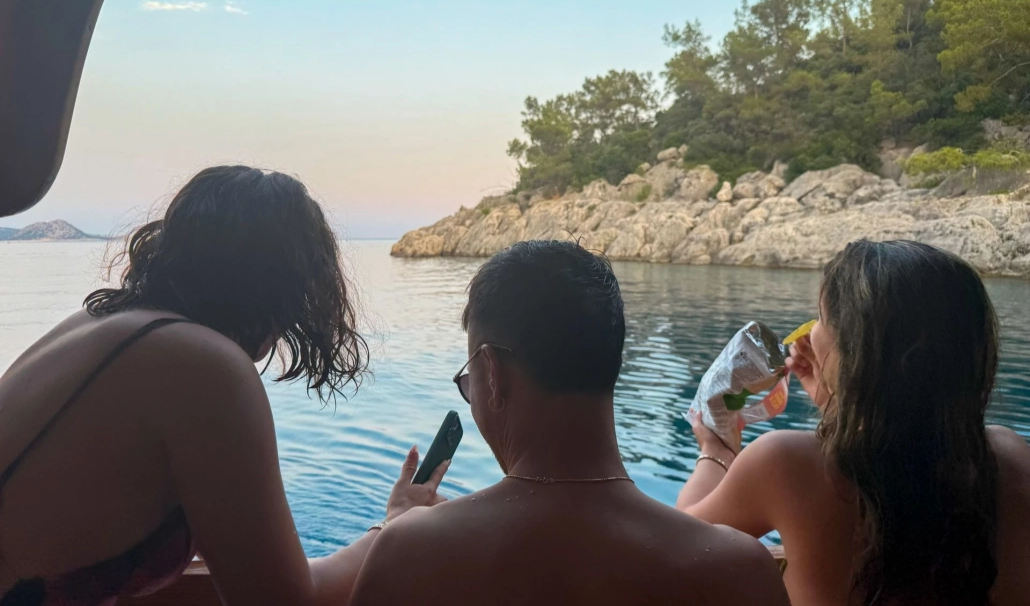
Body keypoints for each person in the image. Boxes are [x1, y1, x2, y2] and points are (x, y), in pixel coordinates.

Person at [0, 166, 449, 605]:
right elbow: (286, 600)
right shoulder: (204, 367)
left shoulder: (100, 321)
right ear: (280, 287)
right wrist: (396, 528)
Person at [350, 240, 789, 606]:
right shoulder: (738, 571)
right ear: (611, 361)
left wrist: (398, 522)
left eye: (470, 378)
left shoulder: (411, 554)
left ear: (492, 373)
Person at [677, 240, 1030, 606]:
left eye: (822, 319)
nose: (810, 332)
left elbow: (677, 545)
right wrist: (840, 405)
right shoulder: (1012, 458)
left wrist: (716, 451)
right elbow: (907, 459)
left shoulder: (784, 463)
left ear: (854, 354)